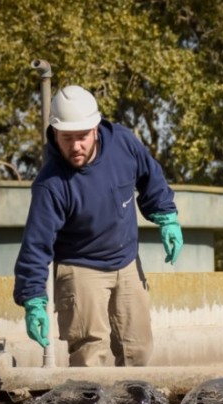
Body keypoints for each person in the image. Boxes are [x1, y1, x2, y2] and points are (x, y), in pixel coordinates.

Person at [13, 85, 182, 367]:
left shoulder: (123, 144)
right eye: (67, 138)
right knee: (91, 356)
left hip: (126, 261)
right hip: (80, 266)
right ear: (55, 133)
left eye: (82, 137)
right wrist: (33, 299)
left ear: (95, 129)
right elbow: (36, 245)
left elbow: (150, 177)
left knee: (138, 350)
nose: (75, 146)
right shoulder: (50, 184)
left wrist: (166, 216)